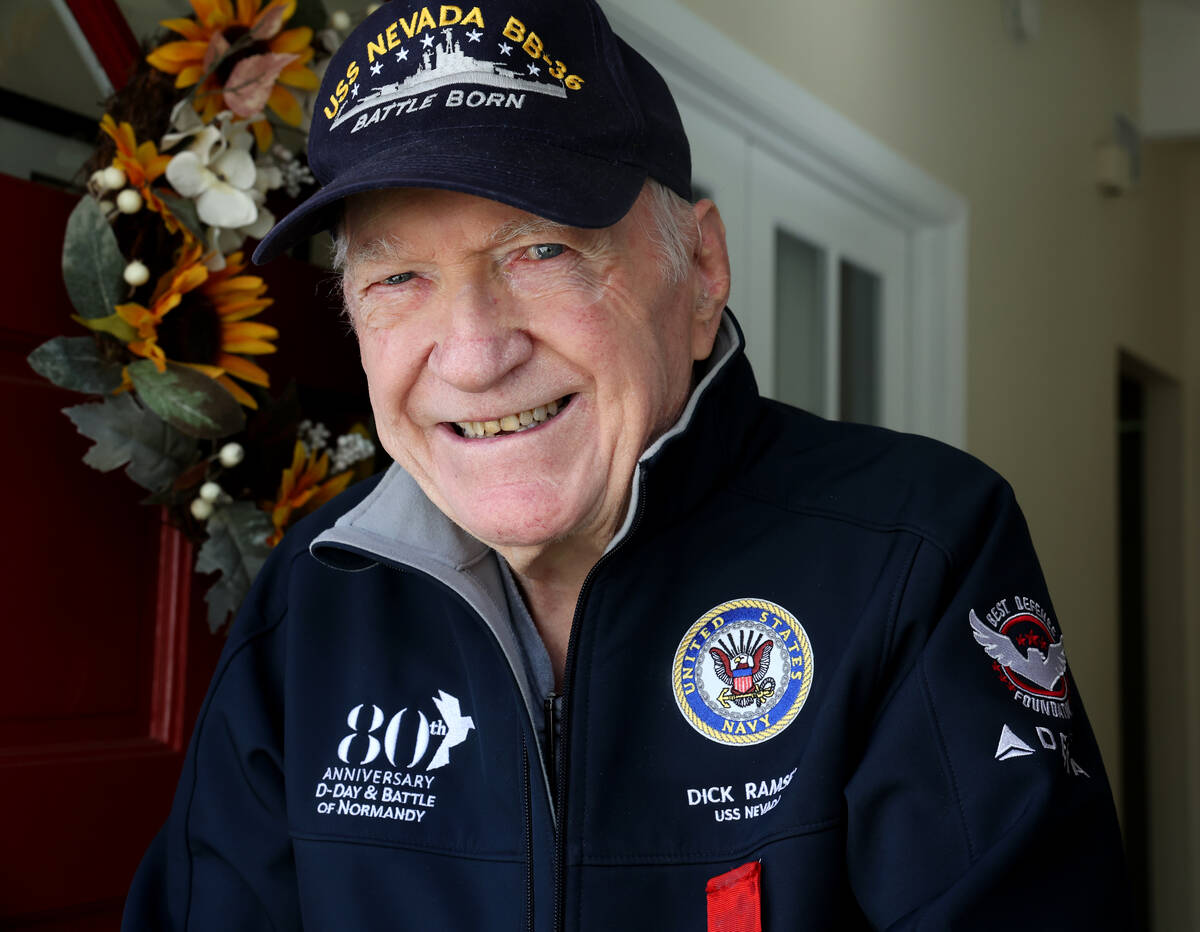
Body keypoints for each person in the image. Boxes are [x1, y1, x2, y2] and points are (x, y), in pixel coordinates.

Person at [123, 1, 1133, 929]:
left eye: (541, 251)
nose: (473, 352)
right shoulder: (317, 595)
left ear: (700, 269)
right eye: (399, 276)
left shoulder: (919, 551)